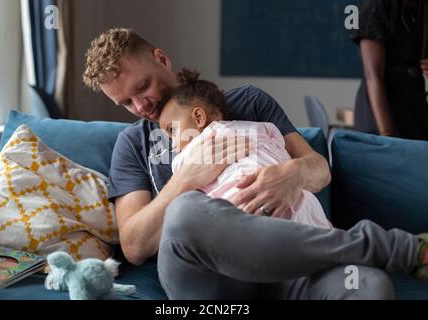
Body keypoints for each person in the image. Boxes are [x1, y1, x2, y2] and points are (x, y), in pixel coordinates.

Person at [83, 28, 428, 299]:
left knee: (369, 287)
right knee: (185, 211)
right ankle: (387, 247)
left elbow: (319, 168)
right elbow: (134, 246)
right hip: (213, 288)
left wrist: (292, 174)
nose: (140, 106)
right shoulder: (132, 143)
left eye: (142, 87)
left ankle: (378, 256)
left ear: (161, 59)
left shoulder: (249, 102)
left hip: (290, 269)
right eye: (125, 103)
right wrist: (185, 179)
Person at [159, 68, 332, 229]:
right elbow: (277, 141)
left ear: (198, 117)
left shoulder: (190, 153)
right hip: (298, 201)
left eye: (172, 131)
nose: (173, 144)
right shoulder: (256, 128)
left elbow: (183, 187)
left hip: (243, 206)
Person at [352, 0, 428, 140]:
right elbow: (373, 76)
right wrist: (387, 135)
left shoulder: (421, 7)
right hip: (383, 110)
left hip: (414, 104)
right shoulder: (375, 5)